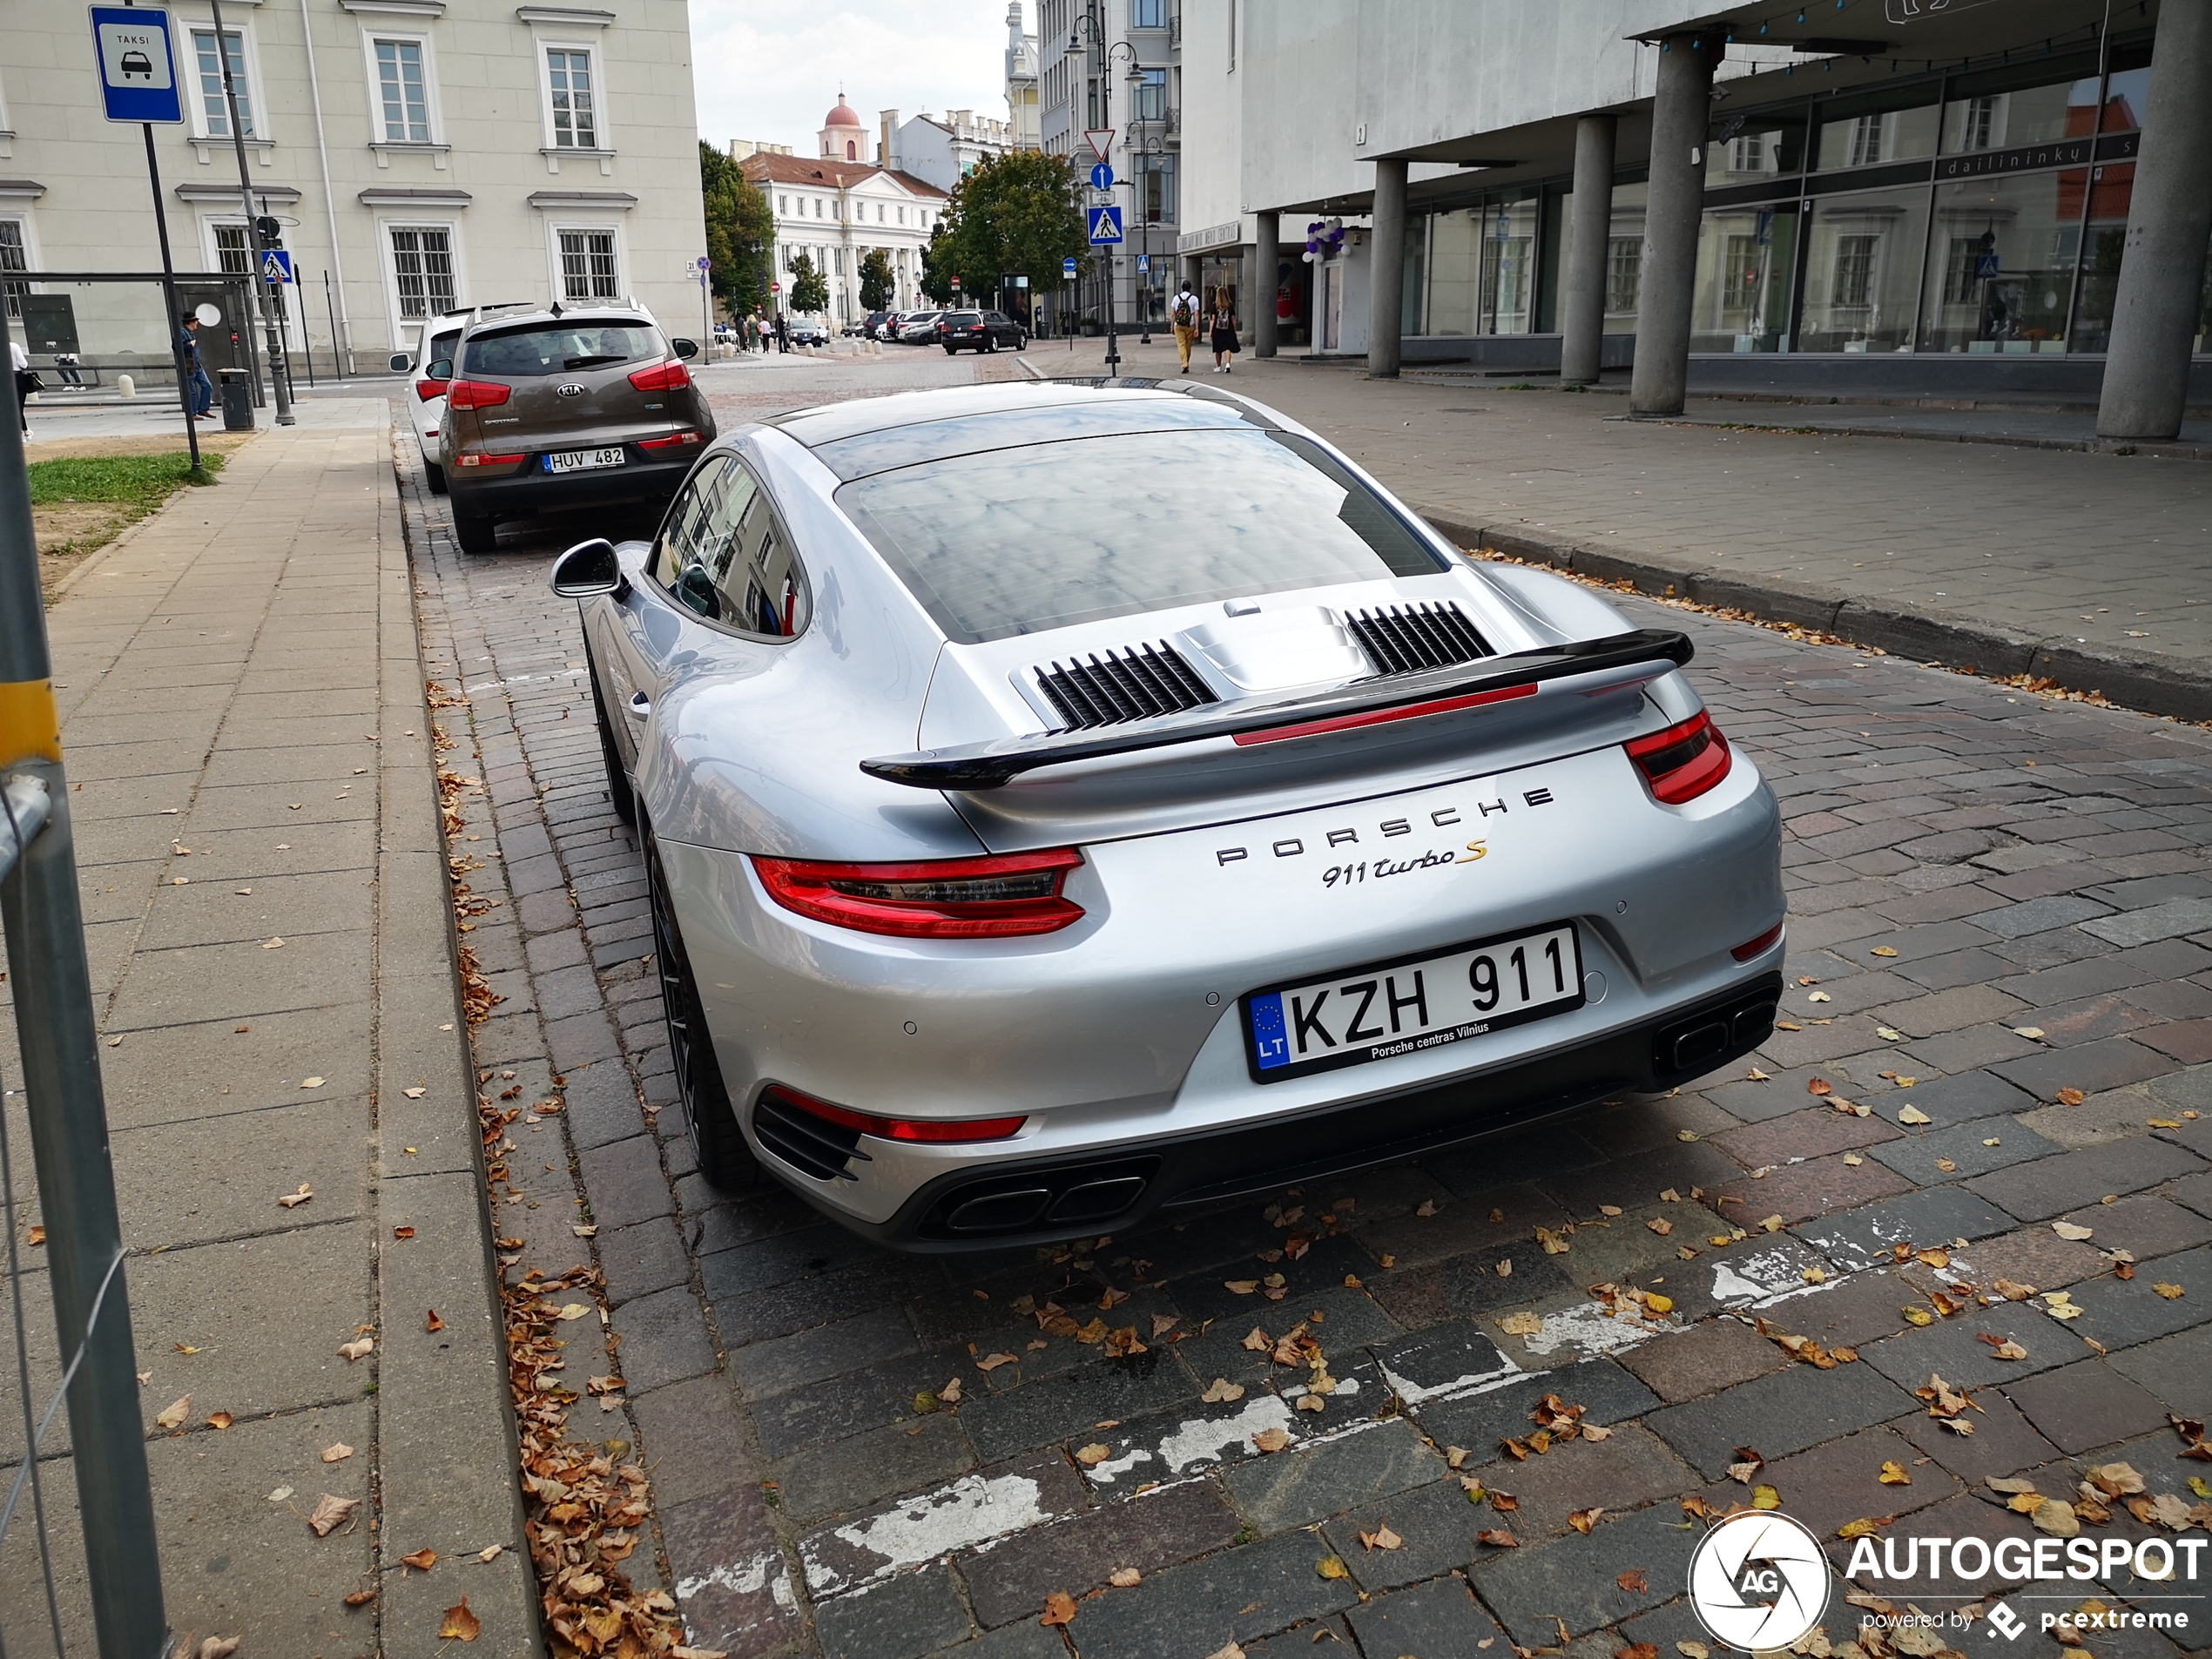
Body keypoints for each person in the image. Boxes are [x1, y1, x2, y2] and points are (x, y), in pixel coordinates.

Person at [178, 314, 215, 419]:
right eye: (195, 321)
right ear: (191, 322)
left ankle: (203, 409)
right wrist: (190, 345)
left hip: (196, 364)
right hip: (189, 365)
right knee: (192, 391)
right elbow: (177, 347)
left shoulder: (189, 333)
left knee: (207, 386)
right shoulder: (182, 333)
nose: (197, 323)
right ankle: (193, 413)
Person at [1170, 281, 1200, 374]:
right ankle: (1186, 362)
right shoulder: (1194, 299)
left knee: (1181, 344)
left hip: (1178, 325)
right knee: (1188, 345)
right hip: (1190, 325)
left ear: (1182, 288)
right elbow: (1197, 314)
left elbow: (1173, 314)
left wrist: (1172, 326)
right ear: (1190, 288)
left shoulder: (1176, 298)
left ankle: (1184, 364)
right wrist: (1197, 328)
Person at [1208, 290, 1240, 374]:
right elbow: (1233, 318)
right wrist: (1234, 329)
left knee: (1218, 348)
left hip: (1217, 329)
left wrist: (1210, 331)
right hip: (1228, 328)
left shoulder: (1215, 305)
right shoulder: (1230, 305)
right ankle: (1228, 364)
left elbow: (1213, 319)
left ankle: (1218, 366)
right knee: (1227, 347)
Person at [10, 335, 31, 437]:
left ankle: (17, 431)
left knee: (7, 407)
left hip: (4, 378)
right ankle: (24, 431)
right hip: (17, 377)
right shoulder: (14, 346)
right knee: (19, 407)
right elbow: (23, 364)